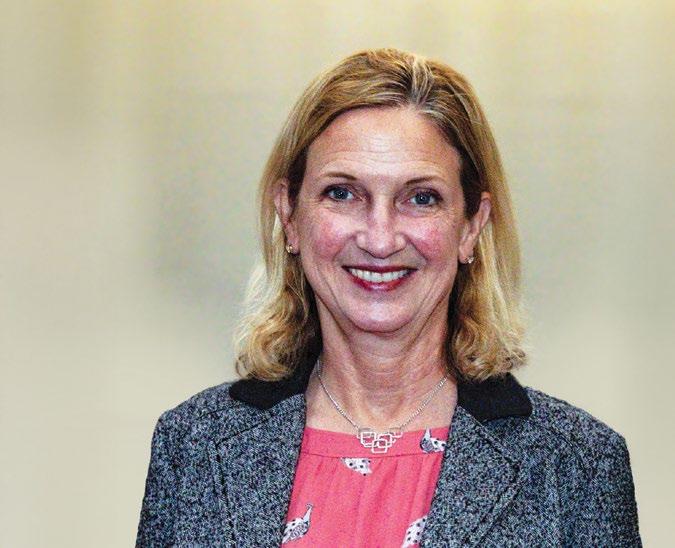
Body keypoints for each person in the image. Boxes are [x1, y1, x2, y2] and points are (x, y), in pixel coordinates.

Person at [136, 48, 641, 547]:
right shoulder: (193, 443)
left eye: (421, 198)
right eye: (342, 193)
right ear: (289, 216)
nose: (380, 240)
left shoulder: (578, 466)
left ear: (471, 226)